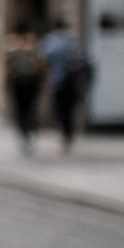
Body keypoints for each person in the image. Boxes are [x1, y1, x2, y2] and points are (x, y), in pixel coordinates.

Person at [39, 15, 86, 157]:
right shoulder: (72, 39)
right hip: (72, 81)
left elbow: (43, 60)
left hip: (57, 81)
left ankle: (63, 138)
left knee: (60, 110)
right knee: (70, 109)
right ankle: (69, 136)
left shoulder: (50, 40)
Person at [4, 25, 45, 155]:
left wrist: (6, 83)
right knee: (30, 108)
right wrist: (40, 80)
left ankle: (24, 134)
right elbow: (40, 64)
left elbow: (8, 66)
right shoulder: (33, 44)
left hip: (18, 80)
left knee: (20, 109)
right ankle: (30, 133)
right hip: (31, 80)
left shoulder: (12, 43)